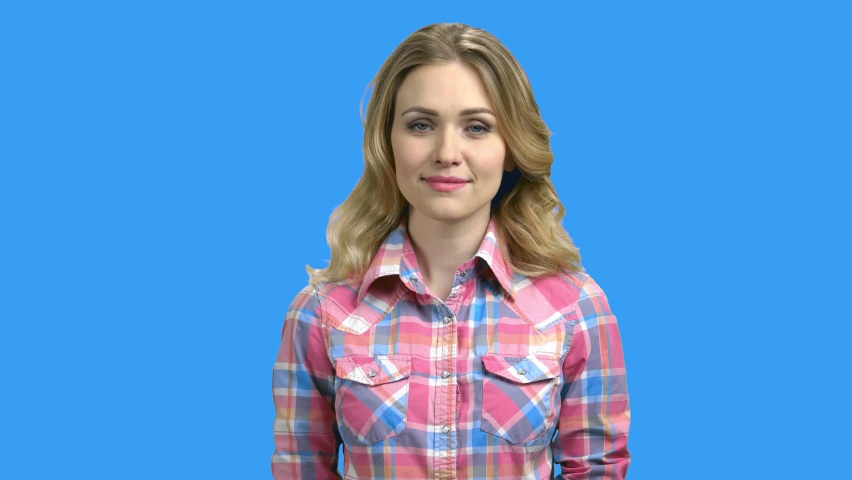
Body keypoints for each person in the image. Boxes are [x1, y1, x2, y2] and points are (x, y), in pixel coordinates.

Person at [271, 22, 630, 480]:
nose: (446, 151)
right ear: (388, 143)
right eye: (421, 124)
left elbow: (597, 469)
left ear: (512, 148)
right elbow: (301, 469)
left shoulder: (577, 309)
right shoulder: (320, 313)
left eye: (477, 127)